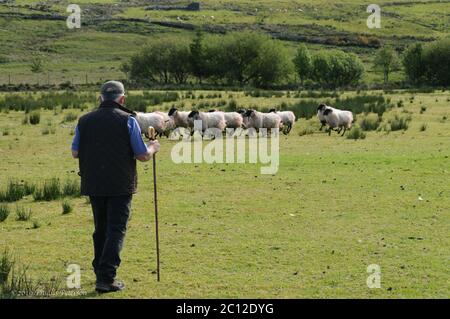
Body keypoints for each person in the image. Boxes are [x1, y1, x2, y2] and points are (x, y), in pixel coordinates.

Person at [71, 81, 160, 293]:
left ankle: (99, 270)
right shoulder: (128, 120)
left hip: (93, 183)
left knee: (100, 228)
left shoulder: (84, 121)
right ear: (122, 100)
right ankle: (106, 277)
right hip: (121, 184)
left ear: (100, 98)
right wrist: (153, 147)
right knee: (116, 229)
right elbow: (142, 155)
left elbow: (75, 152)